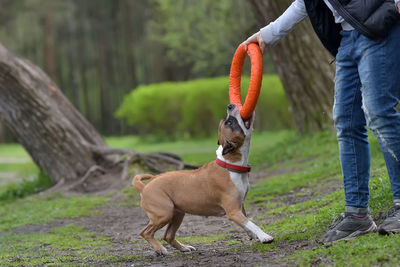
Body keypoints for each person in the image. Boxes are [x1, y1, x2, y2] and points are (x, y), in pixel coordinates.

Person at [243, 0, 400, 244]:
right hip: (347, 39)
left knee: (379, 112)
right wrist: (267, 34)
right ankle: (357, 215)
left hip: (379, 28)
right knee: (346, 122)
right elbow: (306, 2)